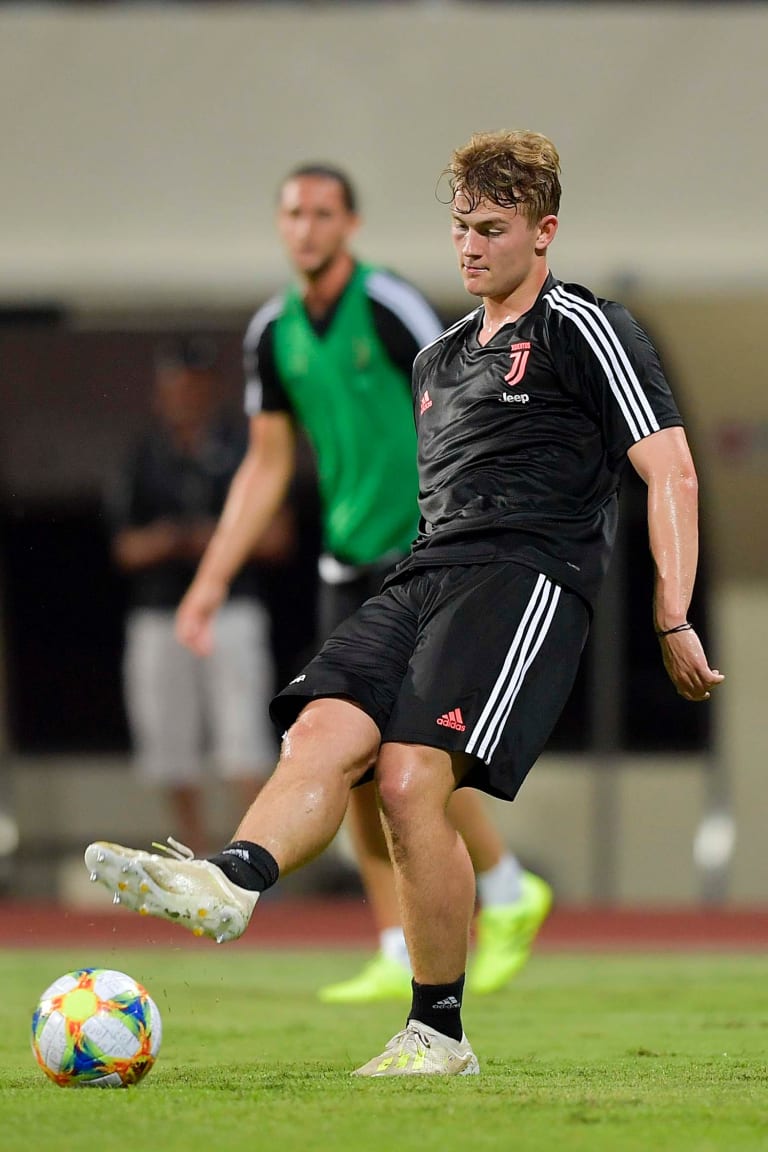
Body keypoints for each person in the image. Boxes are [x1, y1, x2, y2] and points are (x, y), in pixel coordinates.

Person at [85, 130, 723, 1076]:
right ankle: (230, 879)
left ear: (544, 233)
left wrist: (672, 612)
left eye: (493, 228)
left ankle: (438, 1032)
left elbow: (668, 468)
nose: (470, 247)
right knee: (322, 728)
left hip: (527, 581)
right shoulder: (438, 363)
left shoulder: (584, 326)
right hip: (421, 574)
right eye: (462, 227)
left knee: (411, 778)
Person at [197, 163, 552, 1000]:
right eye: (293, 213)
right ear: (279, 225)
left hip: (421, 553)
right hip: (343, 563)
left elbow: (461, 398)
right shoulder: (271, 332)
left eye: (323, 212)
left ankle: (501, 889)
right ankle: (399, 942)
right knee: (343, 750)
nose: (307, 227)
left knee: (408, 750)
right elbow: (267, 463)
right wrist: (211, 578)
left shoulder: (388, 306)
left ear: (349, 224)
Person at [109, 338, 294, 854]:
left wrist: (215, 540)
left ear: (213, 390)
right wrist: (171, 538)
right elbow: (124, 545)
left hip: (229, 609)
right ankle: (193, 856)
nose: (185, 397)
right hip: (161, 611)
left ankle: (251, 858)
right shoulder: (146, 454)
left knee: (243, 739)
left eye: (195, 386)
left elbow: (278, 535)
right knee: (169, 744)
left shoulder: (242, 451)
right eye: (176, 387)